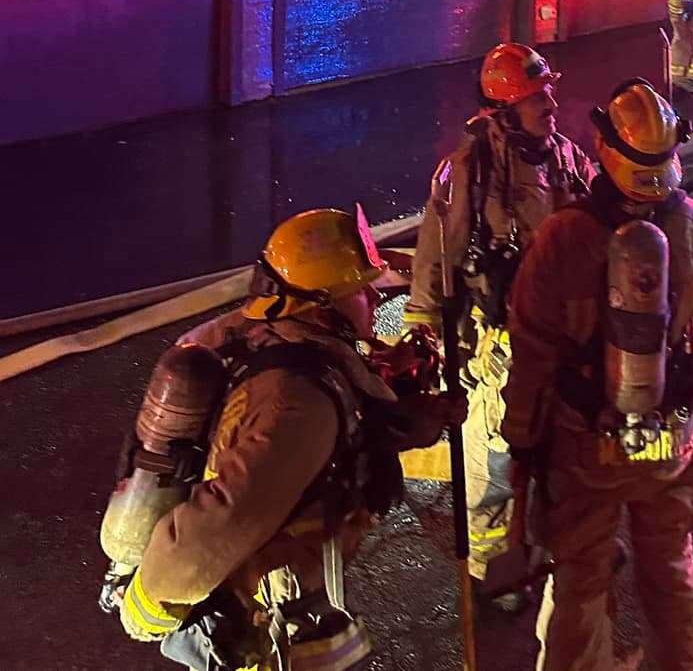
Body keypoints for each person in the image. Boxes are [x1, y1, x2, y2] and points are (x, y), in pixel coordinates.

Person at [115, 206, 463, 669]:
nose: (376, 296)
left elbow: (356, 411)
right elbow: (217, 523)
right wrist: (147, 608)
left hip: (281, 590)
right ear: (323, 304)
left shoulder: (271, 337)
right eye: (360, 289)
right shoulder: (296, 405)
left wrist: (418, 409)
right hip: (263, 614)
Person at [502, 79, 693, 671]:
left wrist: (523, 440)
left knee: (581, 583)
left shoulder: (562, 236)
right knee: (670, 570)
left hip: (583, 445)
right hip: (670, 441)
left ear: (606, 148)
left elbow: (532, 352)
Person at [404, 42, 594, 597]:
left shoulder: (565, 157)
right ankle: (489, 570)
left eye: (549, 91)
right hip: (499, 343)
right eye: (537, 97)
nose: (551, 104)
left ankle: (549, 551)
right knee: (494, 460)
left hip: (561, 337)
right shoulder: (469, 170)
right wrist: (426, 333)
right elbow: (435, 255)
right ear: (505, 111)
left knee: (560, 448)